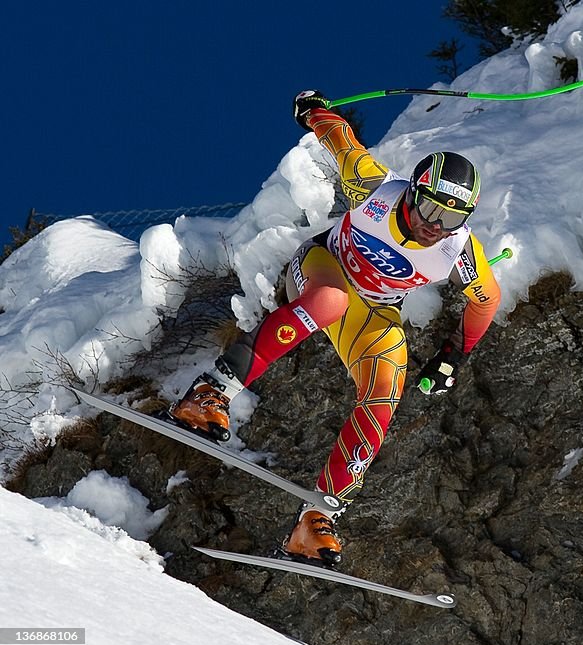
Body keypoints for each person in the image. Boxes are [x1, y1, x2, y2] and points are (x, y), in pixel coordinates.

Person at [168, 90, 501, 565]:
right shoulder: (375, 189)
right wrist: (313, 110)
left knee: (388, 386)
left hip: (376, 309)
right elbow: (339, 139)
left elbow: (486, 301)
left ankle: (316, 518)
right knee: (329, 300)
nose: (435, 225)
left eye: (451, 217)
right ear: (412, 193)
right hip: (324, 265)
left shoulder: (459, 249)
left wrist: (452, 353)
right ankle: (209, 394)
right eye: (430, 209)